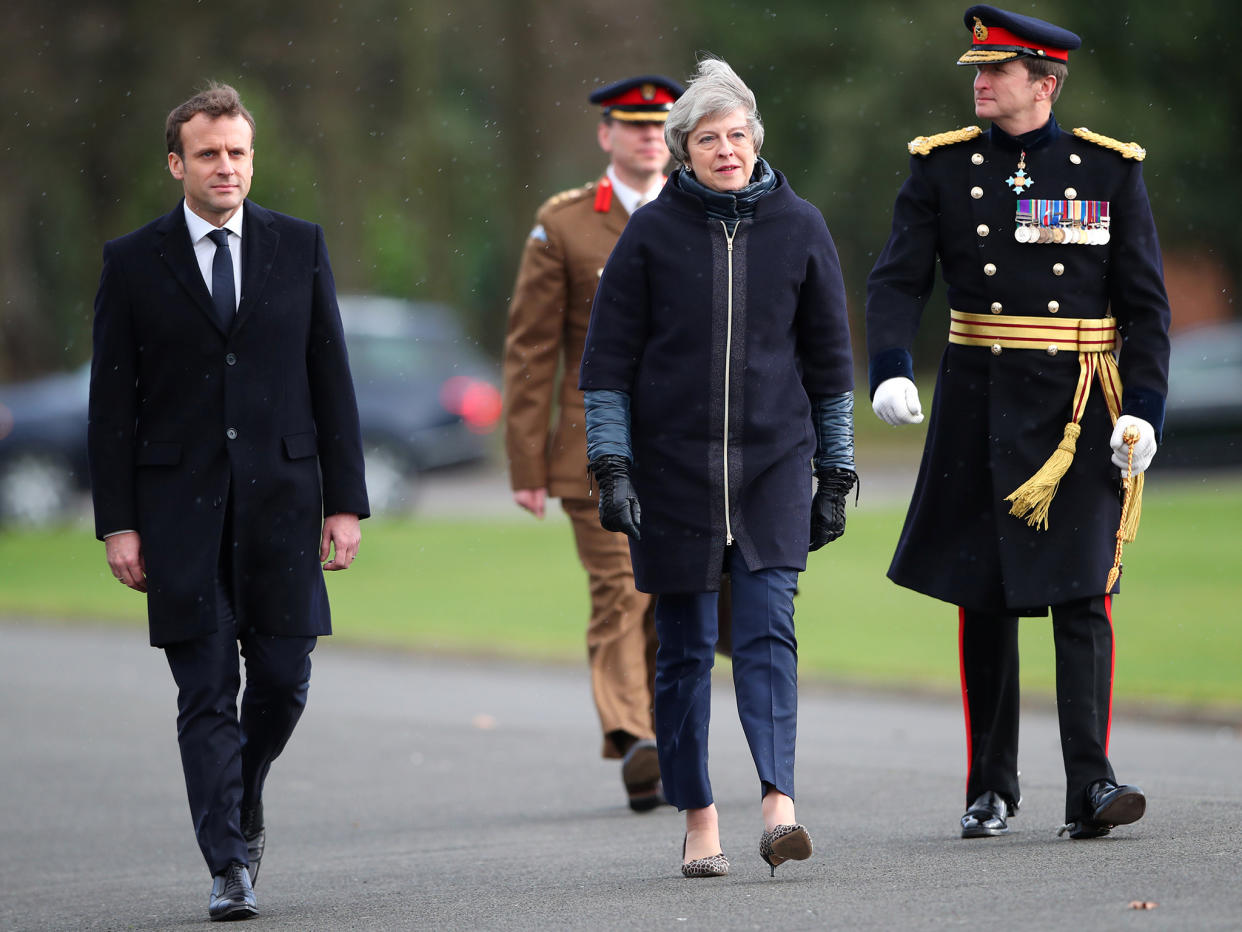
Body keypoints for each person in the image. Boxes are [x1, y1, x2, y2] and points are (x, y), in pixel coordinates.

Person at [865, 5, 1171, 841]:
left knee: (1083, 596)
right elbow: (896, 280)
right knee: (985, 599)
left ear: (1046, 82)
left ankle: (1092, 786)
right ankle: (990, 787)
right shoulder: (940, 167)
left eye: (995, 71)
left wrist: (1142, 408)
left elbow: (1145, 307)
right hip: (979, 400)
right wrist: (890, 365)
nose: (979, 81)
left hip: (1079, 410)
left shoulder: (1109, 171)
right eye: (976, 69)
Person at [88, 83, 369, 920]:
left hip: (285, 505)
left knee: (282, 682)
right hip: (178, 514)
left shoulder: (300, 246)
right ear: (177, 163)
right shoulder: (133, 262)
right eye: (208, 153)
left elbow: (332, 382)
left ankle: (242, 794)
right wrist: (119, 523)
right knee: (206, 690)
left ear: (253, 158)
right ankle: (227, 865)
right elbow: (113, 408)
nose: (225, 167)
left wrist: (345, 503)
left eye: (237, 152)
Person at [579, 57, 857, 877]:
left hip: (774, 466)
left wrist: (835, 472)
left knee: (771, 632)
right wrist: (612, 466)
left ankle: (780, 806)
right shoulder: (650, 235)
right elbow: (605, 366)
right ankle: (699, 816)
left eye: (738, 135)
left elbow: (831, 364)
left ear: (755, 140)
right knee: (686, 648)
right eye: (709, 138)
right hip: (672, 473)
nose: (727, 150)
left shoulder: (800, 225)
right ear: (683, 150)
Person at [502, 74, 683, 812]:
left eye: (659, 126)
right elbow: (529, 349)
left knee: (672, 597)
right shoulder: (566, 224)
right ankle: (638, 739)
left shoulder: (704, 209)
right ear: (606, 135)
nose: (647, 136)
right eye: (633, 125)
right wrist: (527, 462)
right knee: (620, 591)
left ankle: (662, 735)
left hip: (685, 446)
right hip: (592, 450)